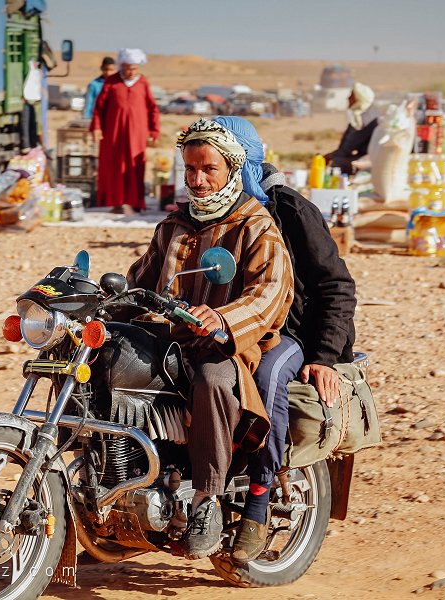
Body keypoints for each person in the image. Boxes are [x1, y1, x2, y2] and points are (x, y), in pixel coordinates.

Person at [126, 118, 293, 559]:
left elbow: (270, 294)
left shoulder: (256, 226)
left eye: (209, 170)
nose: (198, 180)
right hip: (169, 340)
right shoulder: (173, 225)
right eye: (190, 170)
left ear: (233, 170)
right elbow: (140, 279)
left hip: (226, 347)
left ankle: (206, 499)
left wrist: (221, 319)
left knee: (212, 380)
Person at [212, 118, 357, 564]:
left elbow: (337, 285)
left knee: (271, 376)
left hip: (290, 331)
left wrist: (324, 356)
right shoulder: (208, 207)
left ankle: (257, 501)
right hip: (228, 325)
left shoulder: (290, 209)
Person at [90, 48, 160, 215]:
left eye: (135, 68)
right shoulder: (111, 82)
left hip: (137, 134)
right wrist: (97, 127)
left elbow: (152, 108)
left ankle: (135, 202)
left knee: (135, 166)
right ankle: (116, 202)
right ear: (122, 66)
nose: (131, 72)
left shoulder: (143, 83)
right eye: (128, 68)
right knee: (113, 167)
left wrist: (154, 130)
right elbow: (99, 108)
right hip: (114, 134)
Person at [324, 82, 380, 175]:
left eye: (351, 96)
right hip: (369, 157)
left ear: (358, 99)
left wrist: (329, 157)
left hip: (369, 160)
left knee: (335, 163)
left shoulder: (362, 119)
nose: (348, 98)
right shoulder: (369, 112)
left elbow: (347, 147)